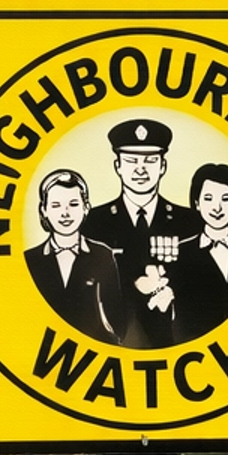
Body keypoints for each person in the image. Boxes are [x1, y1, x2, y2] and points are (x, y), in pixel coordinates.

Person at [81, 119, 202, 348]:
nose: (140, 169)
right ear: (118, 166)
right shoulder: (94, 223)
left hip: (180, 343)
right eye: (131, 160)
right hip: (109, 344)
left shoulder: (189, 222)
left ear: (163, 166)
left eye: (150, 160)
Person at [24, 169, 124, 342]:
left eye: (73, 204)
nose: (65, 213)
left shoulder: (102, 255)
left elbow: (116, 316)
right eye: (56, 205)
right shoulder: (30, 260)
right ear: (44, 209)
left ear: (86, 208)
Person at [170, 163, 228, 340]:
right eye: (208, 198)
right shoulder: (179, 255)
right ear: (197, 203)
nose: (217, 207)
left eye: (225, 198)